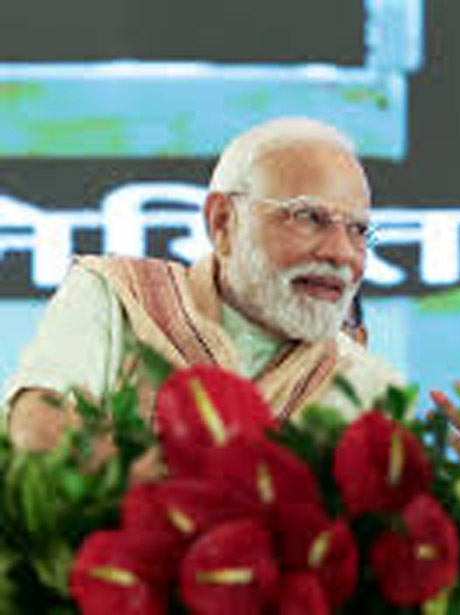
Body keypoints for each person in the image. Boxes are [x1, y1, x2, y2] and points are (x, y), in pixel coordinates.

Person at [3, 117, 403, 451]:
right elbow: (36, 424)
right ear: (223, 221)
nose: (342, 254)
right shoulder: (116, 297)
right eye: (309, 217)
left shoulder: (369, 385)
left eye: (358, 230)